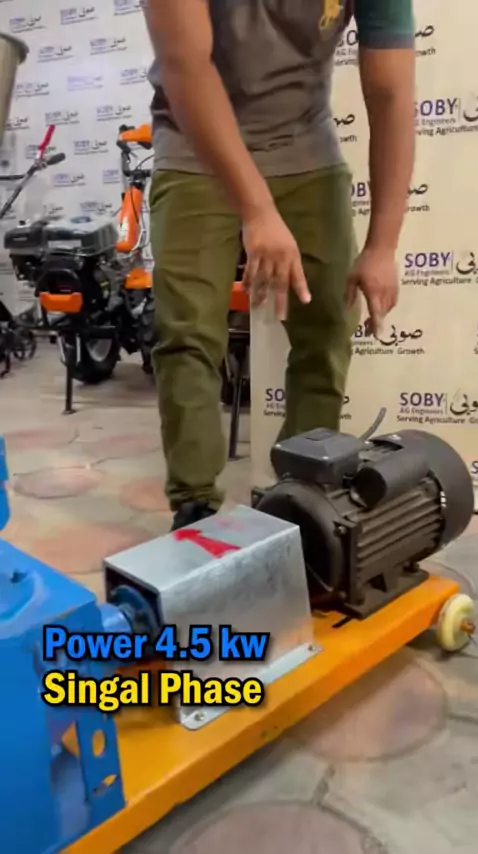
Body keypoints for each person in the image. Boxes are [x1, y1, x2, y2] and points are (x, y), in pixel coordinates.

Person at [144, 0, 415, 531]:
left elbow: (390, 90)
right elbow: (185, 64)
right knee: (188, 334)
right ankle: (194, 508)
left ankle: (304, 495)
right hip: (194, 144)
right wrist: (257, 210)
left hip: (304, 149)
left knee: (327, 328)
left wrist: (382, 246)